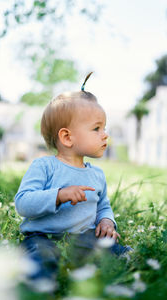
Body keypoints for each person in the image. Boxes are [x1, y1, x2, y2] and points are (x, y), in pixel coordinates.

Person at [15, 73, 132, 284]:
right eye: (96, 128)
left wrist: (106, 221)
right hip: (43, 237)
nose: (105, 134)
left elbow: (103, 206)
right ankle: (39, 285)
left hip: (83, 238)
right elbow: (23, 203)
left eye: (104, 128)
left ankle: (125, 258)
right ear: (67, 137)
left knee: (106, 247)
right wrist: (58, 196)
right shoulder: (44, 166)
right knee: (39, 256)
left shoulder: (97, 174)